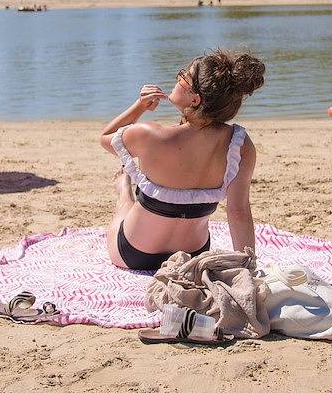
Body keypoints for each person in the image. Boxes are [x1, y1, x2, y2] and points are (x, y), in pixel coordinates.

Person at [100, 49, 265, 270]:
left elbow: (104, 138)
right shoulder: (239, 144)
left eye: (183, 76)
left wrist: (139, 107)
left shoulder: (150, 135)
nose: (177, 79)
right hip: (193, 255)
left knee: (125, 205)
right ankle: (126, 187)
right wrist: (247, 269)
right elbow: (238, 211)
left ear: (195, 99)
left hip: (134, 253)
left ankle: (123, 188)